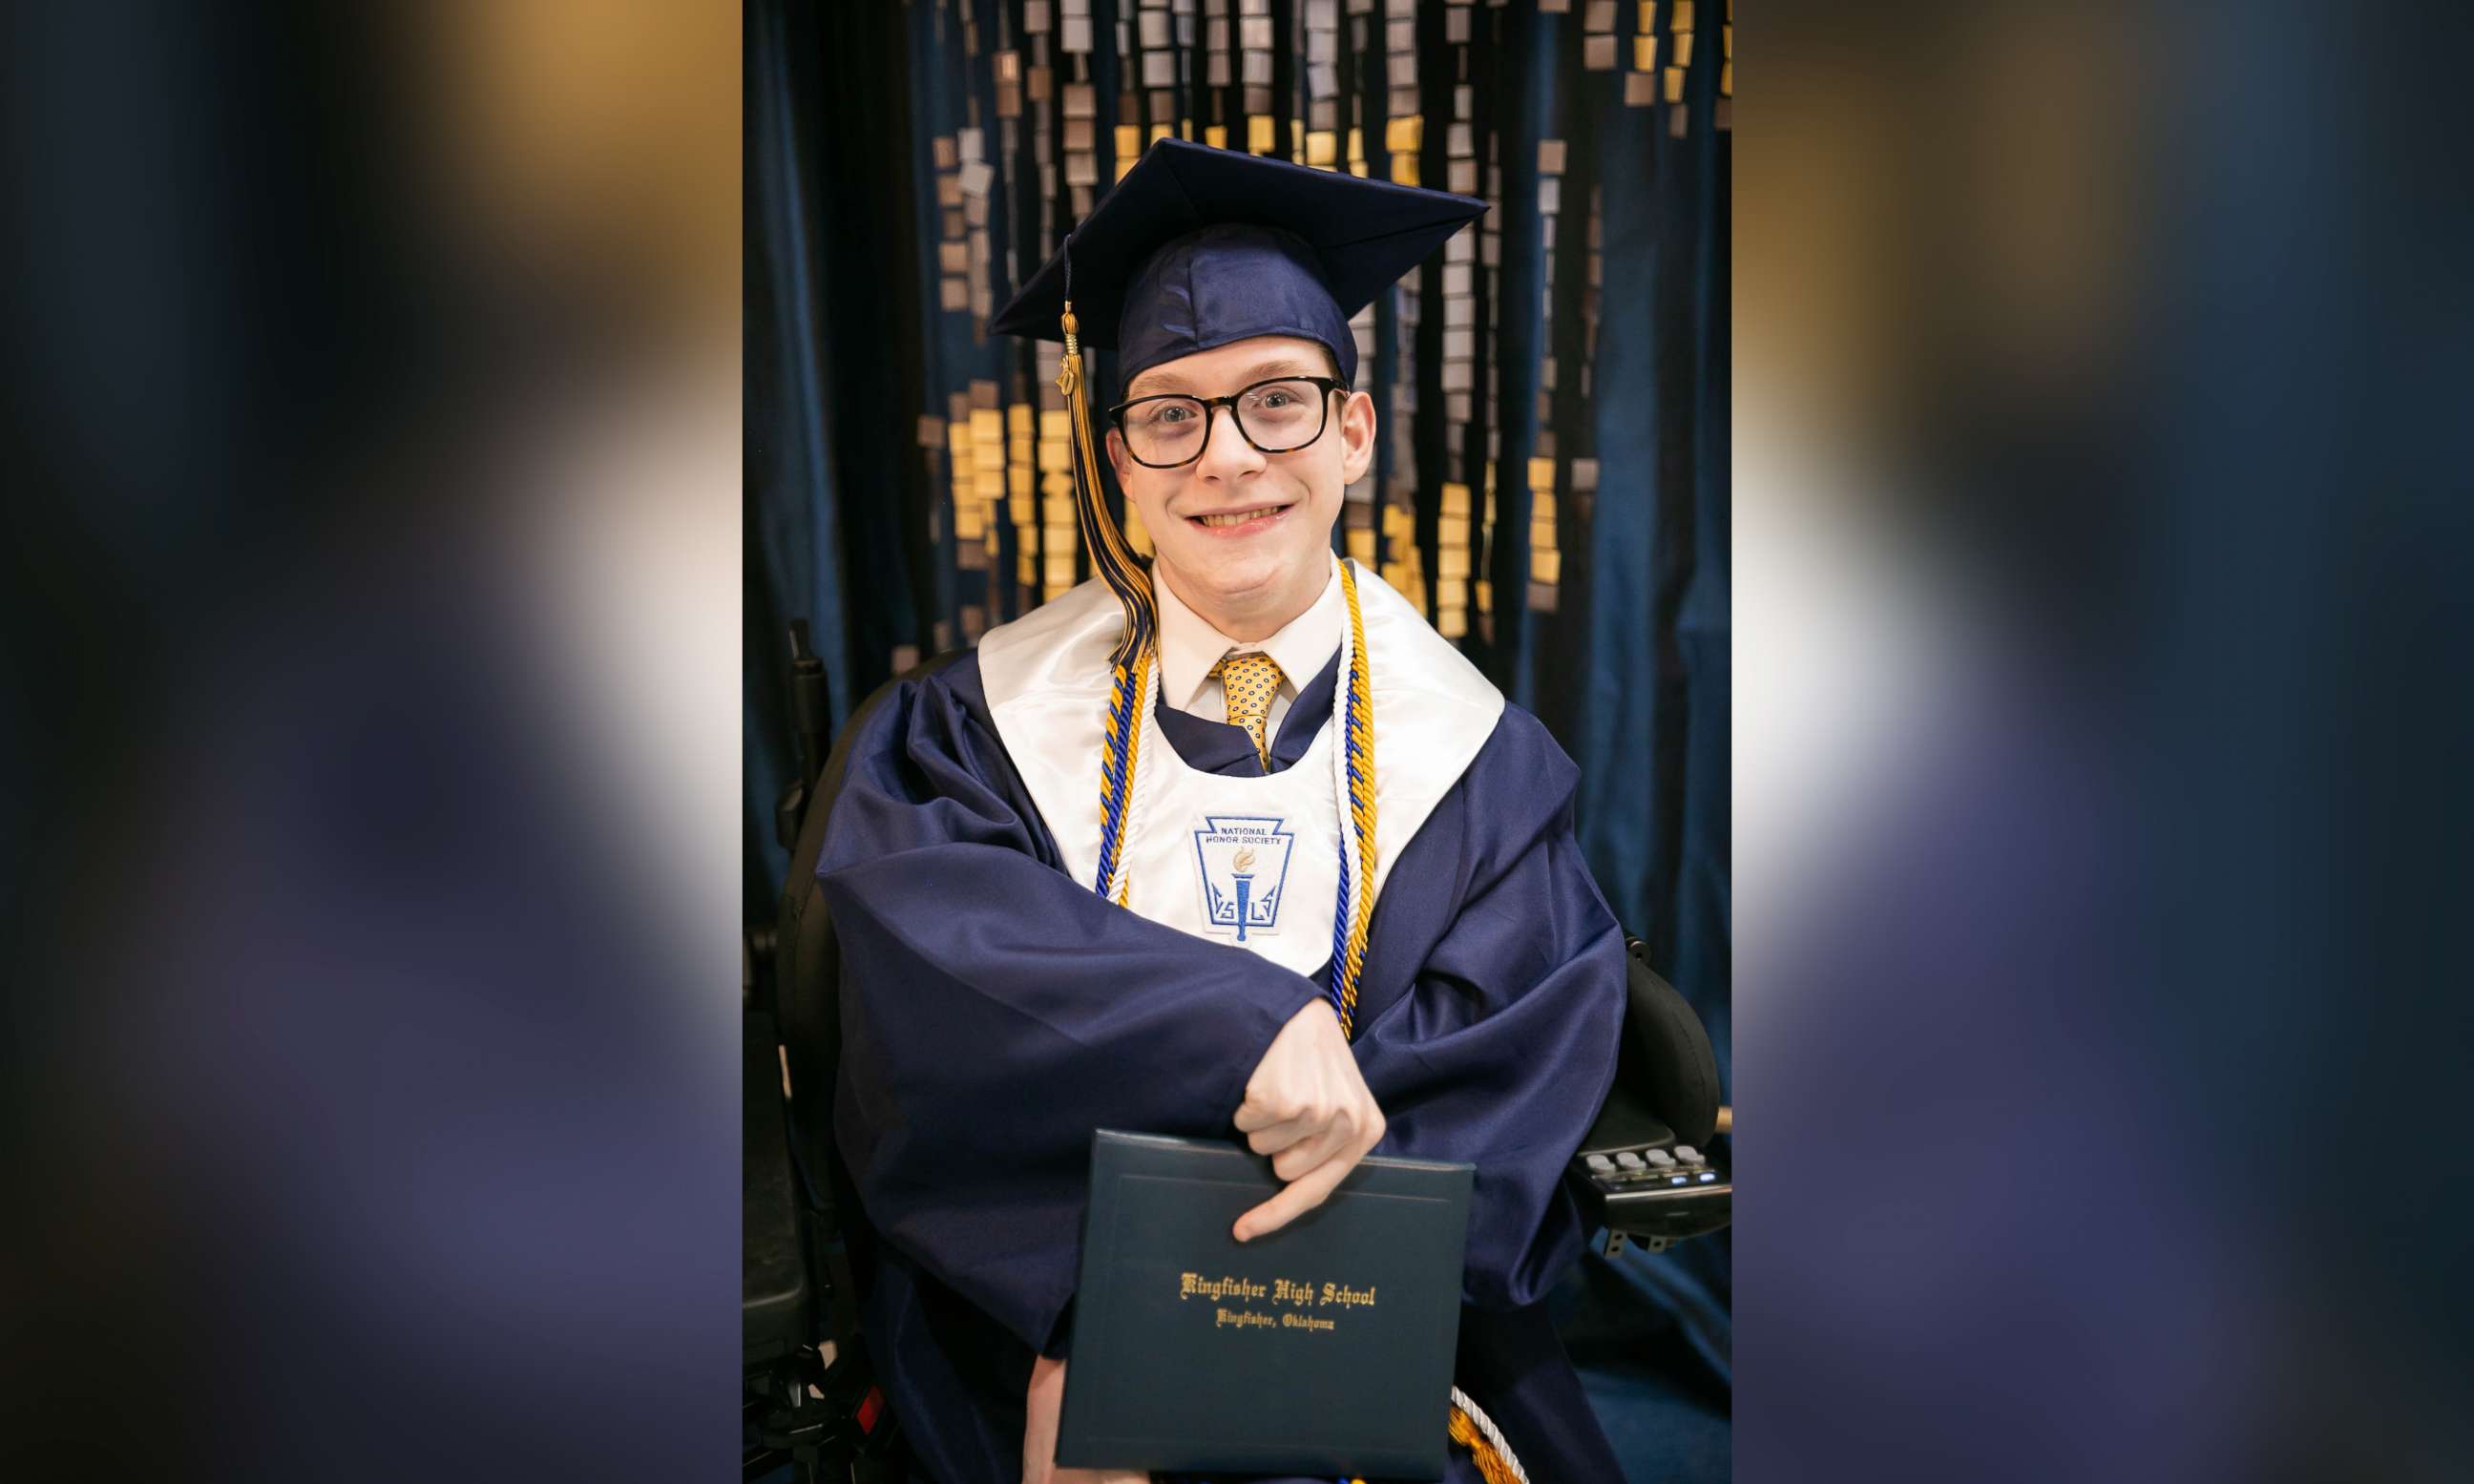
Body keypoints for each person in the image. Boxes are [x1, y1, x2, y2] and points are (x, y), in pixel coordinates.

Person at [817, 138, 1628, 1483]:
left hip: (1381, 1317)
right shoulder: (966, 733)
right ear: (1120, 462)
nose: (1228, 461)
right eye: (1170, 416)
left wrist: (1205, 1320)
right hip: (1042, 1317)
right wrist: (1253, 1030)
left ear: (1354, 432)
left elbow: (1514, 1059)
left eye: (1277, 402)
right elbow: (937, 1004)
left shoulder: (1475, 754)